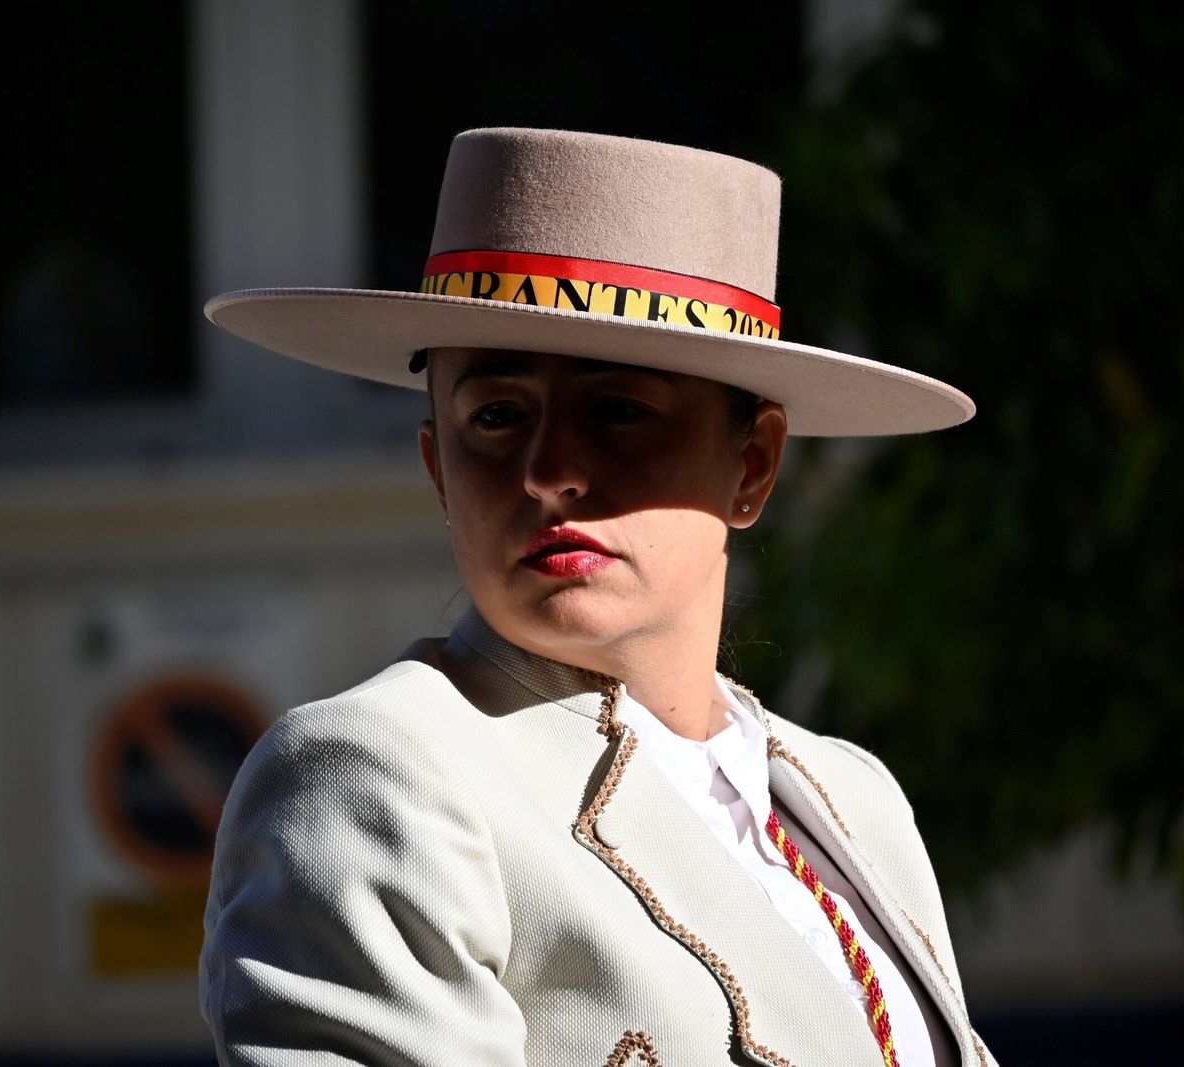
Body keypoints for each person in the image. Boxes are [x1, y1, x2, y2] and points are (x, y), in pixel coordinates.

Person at [199, 128, 995, 1066]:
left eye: (619, 410)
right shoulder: (377, 774)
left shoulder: (855, 801)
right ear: (438, 470)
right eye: (496, 416)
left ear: (754, 462)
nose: (551, 472)